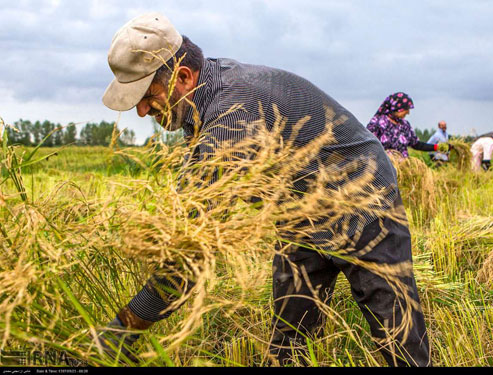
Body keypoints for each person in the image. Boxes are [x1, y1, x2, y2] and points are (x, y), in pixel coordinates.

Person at [99, 12, 430, 367]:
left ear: (182, 76)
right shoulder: (205, 98)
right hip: (299, 210)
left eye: (148, 95)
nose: (141, 110)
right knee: (290, 335)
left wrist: (123, 330)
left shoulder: (231, 116)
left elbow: (191, 249)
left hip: (362, 195)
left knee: (396, 332)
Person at [366, 93, 449, 159]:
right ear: (398, 107)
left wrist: (438, 147)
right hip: (383, 169)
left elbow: (416, 144)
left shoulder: (405, 125)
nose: (408, 112)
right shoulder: (377, 122)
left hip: (403, 169)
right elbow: (367, 145)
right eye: (406, 109)